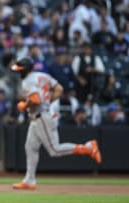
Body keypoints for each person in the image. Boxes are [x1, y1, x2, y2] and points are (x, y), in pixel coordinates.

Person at [10, 57, 102, 190]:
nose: (18, 72)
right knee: (30, 147)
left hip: (42, 117)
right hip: (42, 115)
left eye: (20, 70)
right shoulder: (43, 75)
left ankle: (88, 148)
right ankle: (29, 180)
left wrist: (24, 105)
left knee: (54, 150)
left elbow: (35, 99)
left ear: (25, 70)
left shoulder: (27, 81)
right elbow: (59, 88)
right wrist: (47, 103)